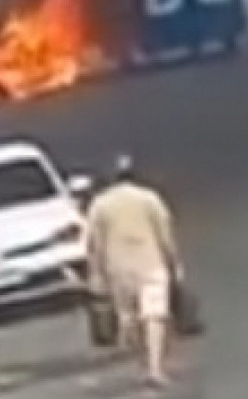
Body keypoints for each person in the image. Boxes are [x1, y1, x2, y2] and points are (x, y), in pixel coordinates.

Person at [86, 154, 184, 387]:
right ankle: (155, 367)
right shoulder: (149, 199)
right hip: (151, 262)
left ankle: (143, 363)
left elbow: (94, 243)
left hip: (118, 268)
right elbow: (165, 233)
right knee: (154, 317)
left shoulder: (100, 205)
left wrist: (96, 273)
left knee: (129, 320)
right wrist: (174, 262)